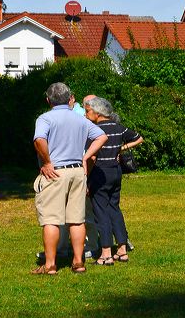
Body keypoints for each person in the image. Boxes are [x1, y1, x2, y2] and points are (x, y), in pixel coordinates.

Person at [31, 82, 108, 274]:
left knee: (51, 219)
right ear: (70, 98)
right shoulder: (80, 119)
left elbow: (39, 139)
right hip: (76, 171)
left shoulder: (45, 118)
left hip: (55, 171)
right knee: (77, 219)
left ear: (48, 100)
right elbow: (101, 136)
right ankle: (78, 261)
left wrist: (47, 162)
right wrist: (85, 157)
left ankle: (50, 265)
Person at [84, 96, 143, 265]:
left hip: (100, 172)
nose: (87, 114)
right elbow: (139, 138)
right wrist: (121, 149)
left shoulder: (94, 131)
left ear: (97, 112)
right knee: (114, 209)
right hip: (116, 172)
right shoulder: (118, 127)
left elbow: (92, 157)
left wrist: (86, 179)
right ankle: (122, 250)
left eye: (88, 111)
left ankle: (106, 253)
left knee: (100, 212)